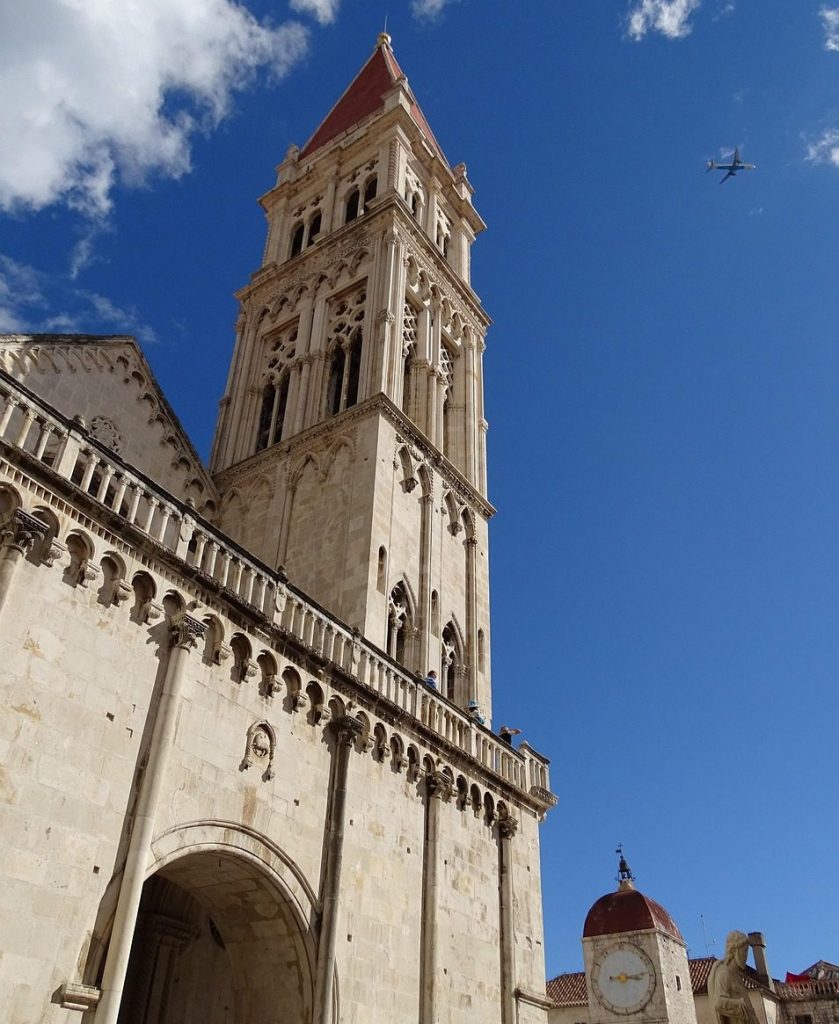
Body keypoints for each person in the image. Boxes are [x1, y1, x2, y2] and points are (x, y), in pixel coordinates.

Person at [708, 932, 761, 1024]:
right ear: (734, 951)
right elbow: (719, 1003)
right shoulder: (724, 973)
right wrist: (740, 1004)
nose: (746, 956)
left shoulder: (737, 976)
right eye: (744, 951)